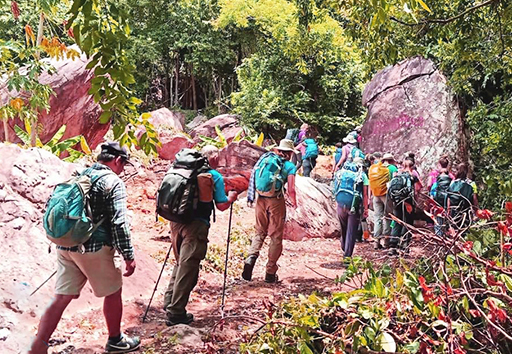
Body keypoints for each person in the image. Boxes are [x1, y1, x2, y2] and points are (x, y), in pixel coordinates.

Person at [29, 142, 140, 354]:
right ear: (117, 160)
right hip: (94, 248)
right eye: (123, 164)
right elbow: (119, 223)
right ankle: (115, 339)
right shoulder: (113, 182)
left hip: (66, 245)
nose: (123, 169)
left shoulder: (80, 173)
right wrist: (128, 255)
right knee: (113, 291)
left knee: (62, 297)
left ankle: (38, 346)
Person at [163, 145, 238, 326]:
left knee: (180, 263)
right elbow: (221, 205)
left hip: (175, 221)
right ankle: (176, 312)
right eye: (217, 158)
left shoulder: (180, 170)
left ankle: (169, 302)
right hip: (196, 226)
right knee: (189, 269)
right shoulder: (214, 176)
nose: (218, 161)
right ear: (211, 158)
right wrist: (232, 198)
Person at [243, 139, 298, 283]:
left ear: (279, 150)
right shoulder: (290, 166)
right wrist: (294, 203)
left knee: (259, 232)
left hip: (261, 199)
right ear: (290, 152)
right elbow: (291, 189)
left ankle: (250, 259)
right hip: (276, 201)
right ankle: (270, 273)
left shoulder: (266, 159)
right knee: (275, 236)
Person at [333, 157, 369, 261]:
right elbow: (365, 194)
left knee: (343, 228)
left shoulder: (341, 173)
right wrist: (365, 209)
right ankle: (347, 256)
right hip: (354, 206)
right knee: (351, 231)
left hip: (341, 205)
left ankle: (344, 247)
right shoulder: (362, 175)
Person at [388, 159, 422, 255]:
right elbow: (417, 189)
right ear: (412, 167)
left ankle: (392, 246)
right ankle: (404, 245)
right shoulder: (412, 176)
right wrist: (415, 202)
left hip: (397, 201)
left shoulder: (397, 175)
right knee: (408, 222)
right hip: (408, 202)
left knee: (397, 222)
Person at [368, 152, 393, 249]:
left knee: (377, 217)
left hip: (375, 195)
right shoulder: (386, 169)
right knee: (387, 217)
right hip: (385, 195)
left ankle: (376, 241)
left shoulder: (372, 169)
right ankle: (386, 241)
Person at [447, 163, 478, 229]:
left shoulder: (452, 183)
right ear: (466, 172)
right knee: (465, 229)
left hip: (454, 210)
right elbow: (474, 199)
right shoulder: (471, 183)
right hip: (466, 210)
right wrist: (476, 211)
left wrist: (448, 211)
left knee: (454, 229)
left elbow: (449, 198)